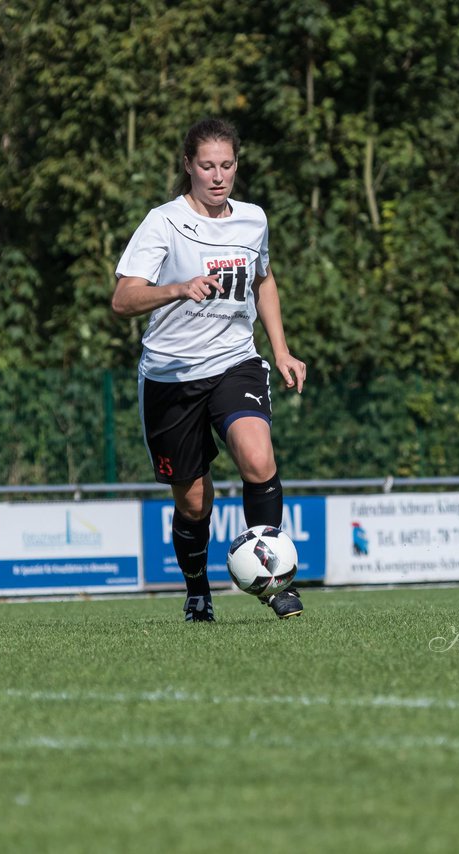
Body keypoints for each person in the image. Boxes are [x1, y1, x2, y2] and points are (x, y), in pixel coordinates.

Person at [111, 118, 307, 622]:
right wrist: (177, 288)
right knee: (195, 503)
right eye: (206, 166)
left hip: (234, 361)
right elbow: (123, 297)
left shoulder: (253, 220)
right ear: (188, 167)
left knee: (258, 458)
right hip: (171, 377)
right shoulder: (163, 222)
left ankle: (276, 582)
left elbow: (264, 280)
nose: (217, 177)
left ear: (236, 166)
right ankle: (197, 590)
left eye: (226, 166)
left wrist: (280, 350)